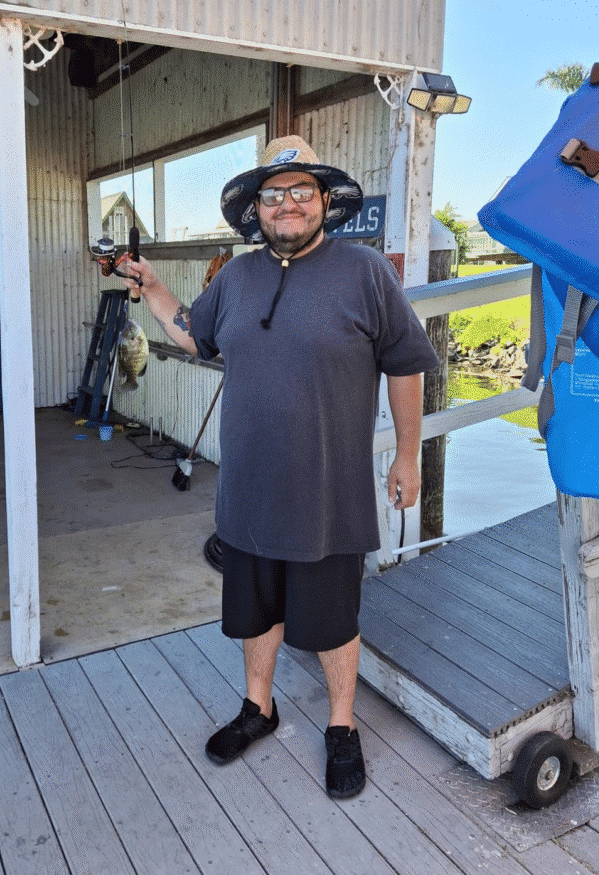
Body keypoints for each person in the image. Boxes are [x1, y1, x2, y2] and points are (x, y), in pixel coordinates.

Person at [118, 135, 439, 798]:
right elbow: (193, 333)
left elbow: (407, 362)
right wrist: (152, 286)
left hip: (329, 495)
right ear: (256, 208)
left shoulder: (365, 272)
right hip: (247, 495)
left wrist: (408, 454)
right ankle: (258, 709)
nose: (287, 204)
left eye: (301, 191)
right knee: (255, 613)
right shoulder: (235, 277)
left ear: (323, 201)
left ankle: (342, 726)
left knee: (332, 620)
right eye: (273, 194)